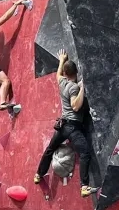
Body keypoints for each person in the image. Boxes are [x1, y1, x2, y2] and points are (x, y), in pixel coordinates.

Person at [33, 49, 98, 198]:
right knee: (85, 153)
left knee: (50, 149)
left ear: (66, 73)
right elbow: (75, 106)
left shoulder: (62, 82)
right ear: (76, 73)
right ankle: (84, 186)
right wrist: (82, 88)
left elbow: (57, 74)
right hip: (73, 127)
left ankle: (38, 174)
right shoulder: (74, 87)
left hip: (62, 126)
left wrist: (62, 59)